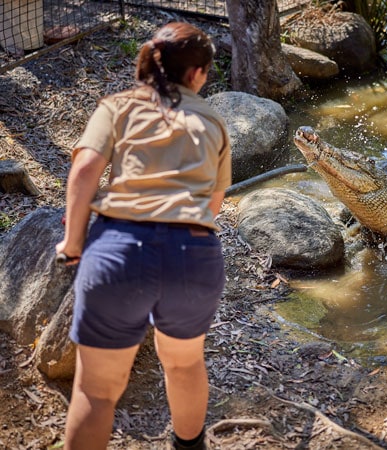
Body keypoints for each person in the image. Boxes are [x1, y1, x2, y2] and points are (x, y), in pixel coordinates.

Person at [55, 22, 231, 450]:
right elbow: (214, 203)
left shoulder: (118, 106)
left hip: (120, 249)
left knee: (96, 390)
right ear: (196, 74)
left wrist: (73, 242)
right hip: (194, 253)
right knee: (185, 364)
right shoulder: (212, 121)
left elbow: (84, 170)